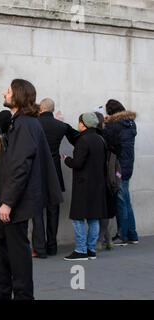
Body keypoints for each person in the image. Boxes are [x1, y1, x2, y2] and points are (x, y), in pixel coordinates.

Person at [0, 79, 62, 300]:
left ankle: (23, 295)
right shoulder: (18, 122)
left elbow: (21, 166)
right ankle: (1, 292)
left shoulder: (25, 124)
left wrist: (8, 202)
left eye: (8, 90)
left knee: (17, 248)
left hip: (15, 199)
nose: (4, 92)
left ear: (18, 96)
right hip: (8, 196)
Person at [31, 98, 77, 258]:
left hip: (36, 172)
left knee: (36, 211)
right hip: (55, 173)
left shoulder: (33, 123)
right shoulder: (61, 126)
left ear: (41, 108)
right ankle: (52, 246)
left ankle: (39, 248)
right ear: (52, 109)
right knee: (53, 211)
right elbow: (79, 139)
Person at [63, 112, 107, 261]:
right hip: (97, 184)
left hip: (83, 185)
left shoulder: (83, 140)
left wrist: (67, 159)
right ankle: (91, 249)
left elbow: (78, 163)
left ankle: (81, 250)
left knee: (78, 218)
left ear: (84, 124)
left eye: (79, 122)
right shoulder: (100, 139)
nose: (78, 124)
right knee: (93, 218)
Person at [102, 99, 138, 246]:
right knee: (126, 200)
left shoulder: (114, 125)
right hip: (128, 165)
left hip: (119, 167)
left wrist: (106, 125)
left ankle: (122, 235)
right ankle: (132, 234)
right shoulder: (130, 123)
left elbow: (108, 141)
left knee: (121, 200)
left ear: (110, 112)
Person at [94, 111, 116, 251]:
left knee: (101, 212)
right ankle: (107, 240)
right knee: (105, 211)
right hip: (109, 178)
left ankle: (99, 240)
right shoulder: (108, 135)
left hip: (101, 178)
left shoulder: (98, 137)